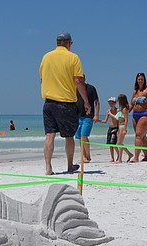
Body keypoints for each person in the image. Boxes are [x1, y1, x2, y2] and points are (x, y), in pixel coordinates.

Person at [39, 32, 89, 175]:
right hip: (66, 103)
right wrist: (86, 101)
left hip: (48, 102)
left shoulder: (46, 57)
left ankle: (48, 167)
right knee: (69, 136)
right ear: (68, 43)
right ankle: (69, 165)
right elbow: (79, 81)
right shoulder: (73, 57)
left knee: (49, 135)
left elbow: (42, 77)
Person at [130, 72, 147, 162]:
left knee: (138, 135)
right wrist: (124, 113)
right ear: (136, 80)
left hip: (145, 114)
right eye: (139, 79)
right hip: (135, 114)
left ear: (144, 80)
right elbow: (131, 104)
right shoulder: (135, 91)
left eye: (142, 79)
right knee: (142, 136)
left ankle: (136, 157)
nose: (140, 81)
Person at [74, 79, 99, 162]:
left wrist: (96, 115)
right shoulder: (75, 89)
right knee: (79, 137)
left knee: (84, 136)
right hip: (78, 116)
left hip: (88, 116)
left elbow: (97, 102)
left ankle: (88, 156)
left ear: (84, 79)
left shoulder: (91, 88)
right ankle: (83, 156)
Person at [114, 93, 134, 163]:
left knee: (119, 143)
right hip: (120, 127)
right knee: (118, 143)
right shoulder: (121, 108)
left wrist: (124, 129)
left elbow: (126, 119)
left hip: (122, 127)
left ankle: (120, 159)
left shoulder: (125, 109)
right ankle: (129, 154)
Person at [98, 96, 119, 162]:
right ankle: (112, 158)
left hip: (116, 128)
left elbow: (118, 118)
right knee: (110, 144)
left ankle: (118, 156)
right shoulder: (108, 111)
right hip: (110, 128)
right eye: (109, 103)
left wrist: (110, 114)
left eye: (112, 103)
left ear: (115, 103)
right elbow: (105, 121)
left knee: (114, 143)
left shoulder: (117, 110)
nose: (110, 104)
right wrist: (98, 120)